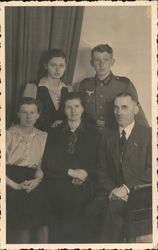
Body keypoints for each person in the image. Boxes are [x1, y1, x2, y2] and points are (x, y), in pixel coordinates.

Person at [42, 92, 100, 243]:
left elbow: (98, 161)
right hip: (58, 179)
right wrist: (70, 172)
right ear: (63, 109)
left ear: (83, 108)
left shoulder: (94, 133)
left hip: (85, 181)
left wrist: (85, 173)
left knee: (77, 200)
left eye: (76, 106)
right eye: (68, 107)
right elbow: (47, 162)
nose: (73, 111)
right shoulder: (54, 132)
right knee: (59, 198)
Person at [98, 92, 152, 242]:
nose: (119, 112)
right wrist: (113, 190)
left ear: (136, 109)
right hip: (112, 192)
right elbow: (100, 170)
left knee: (113, 211)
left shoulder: (149, 135)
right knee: (90, 211)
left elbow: (153, 170)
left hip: (140, 195)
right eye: (116, 108)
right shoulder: (107, 135)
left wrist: (126, 188)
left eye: (124, 107)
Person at [79, 44, 148, 132]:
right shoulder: (85, 85)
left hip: (114, 134)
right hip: (90, 133)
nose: (102, 64)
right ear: (91, 63)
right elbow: (78, 112)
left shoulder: (124, 84)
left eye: (106, 60)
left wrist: (147, 136)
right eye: (97, 60)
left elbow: (137, 112)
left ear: (112, 62)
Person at [6, 97, 48, 243]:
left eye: (32, 112)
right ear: (17, 113)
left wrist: (37, 180)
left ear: (38, 114)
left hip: (33, 180)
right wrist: (17, 186)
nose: (28, 117)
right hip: (10, 180)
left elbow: (40, 166)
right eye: (24, 112)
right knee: (24, 222)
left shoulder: (43, 136)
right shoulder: (7, 135)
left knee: (42, 222)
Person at [23, 49, 72, 132]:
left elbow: (72, 116)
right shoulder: (33, 87)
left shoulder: (68, 89)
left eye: (61, 65)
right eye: (53, 65)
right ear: (45, 66)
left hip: (61, 136)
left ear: (65, 67)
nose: (58, 69)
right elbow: (25, 117)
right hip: (38, 135)